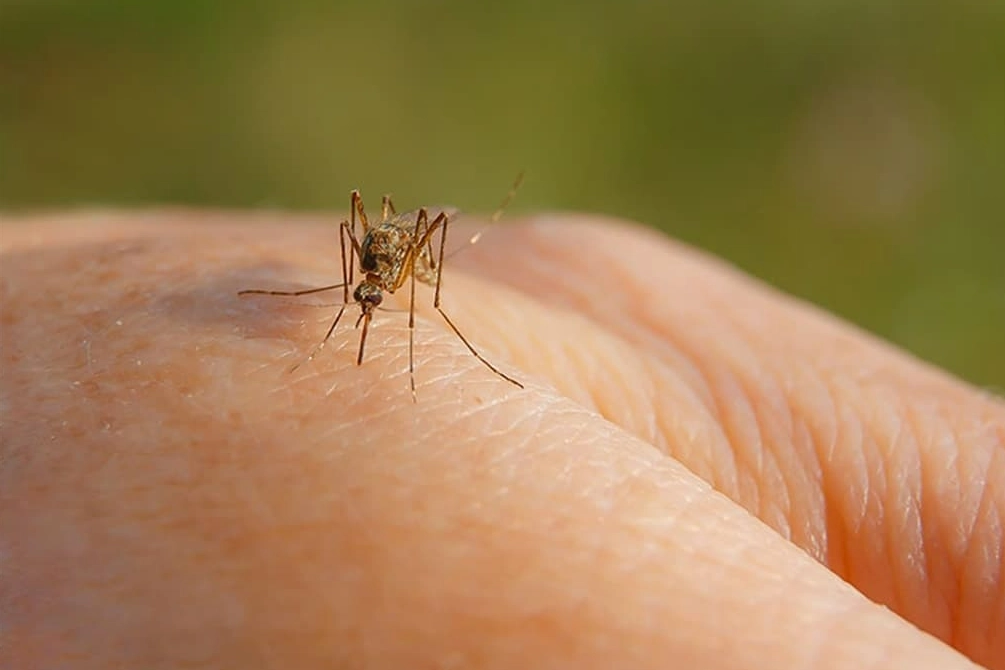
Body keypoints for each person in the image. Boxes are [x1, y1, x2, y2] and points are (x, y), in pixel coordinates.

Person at [1, 211, 1001, 669]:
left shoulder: (393, 266)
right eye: (362, 290)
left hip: (415, 260)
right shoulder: (355, 276)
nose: (359, 303)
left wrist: (417, 296)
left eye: (366, 289)